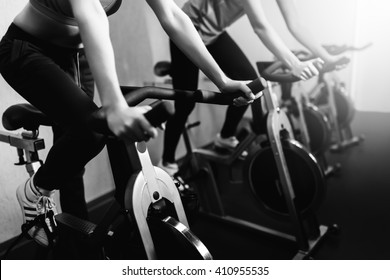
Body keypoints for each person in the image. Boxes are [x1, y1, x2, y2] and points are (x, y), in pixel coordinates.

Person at [0, 0, 257, 247]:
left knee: (75, 150)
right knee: (92, 132)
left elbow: (173, 15)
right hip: (27, 49)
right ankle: (36, 190)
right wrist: (114, 106)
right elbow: (90, 12)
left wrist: (222, 80)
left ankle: (75, 247)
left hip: (76, 58)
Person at [160, 0, 347, 176]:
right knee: (185, 105)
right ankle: (167, 161)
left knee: (249, 84)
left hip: (214, 35)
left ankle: (225, 137)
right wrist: (295, 64)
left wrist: (328, 59)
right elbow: (260, 27)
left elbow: (296, 24)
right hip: (187, 30)